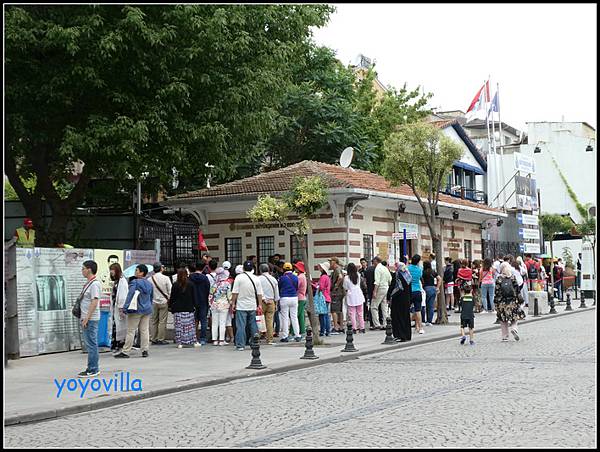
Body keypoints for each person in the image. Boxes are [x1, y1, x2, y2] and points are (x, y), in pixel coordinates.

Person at [115, 264, 154, 358]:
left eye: (137, 270)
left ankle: (126, 351)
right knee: (144, 330)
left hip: (136, 310)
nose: (135, 272)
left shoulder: (134, 282)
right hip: (147, 309)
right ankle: (145, 350)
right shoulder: (149, 284)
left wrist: (125, 308)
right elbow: (151, 297)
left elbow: (130, 295)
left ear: (141, 272)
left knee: (131, 330)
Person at [230, 260, 263, 351]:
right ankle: (255, 342)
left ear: (243, 268)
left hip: (241, 305)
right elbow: (259, 293)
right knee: (253, 325)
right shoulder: (256, 278)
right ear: (253, 268)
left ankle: (240, 345)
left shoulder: (239, 278)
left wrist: (233, 303)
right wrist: (259, 304)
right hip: (252, 305)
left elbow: (235, 292)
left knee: (241, 326)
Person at [78, 260, 102, 377]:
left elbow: (94, 301)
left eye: (83, 268)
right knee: (90, 344)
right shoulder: (89, 283)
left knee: (91, 344)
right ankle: (92, 367)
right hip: (86, 317)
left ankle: (93, 369)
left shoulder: (95, 284)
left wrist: (87, 318)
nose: (82, 271)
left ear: (89, 269)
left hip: (91, 319)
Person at [495, 262, 526, 342]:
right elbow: (517, 290)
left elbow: (497, 291)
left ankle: (505, 336)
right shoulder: (512, 277)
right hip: (512, 301)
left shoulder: (499, 279)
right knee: (514, 317)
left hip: (502, 302)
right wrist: (520, 300)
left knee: (503, 320)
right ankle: (514, 328)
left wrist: (496, 302)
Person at [169, 267, 199, 348]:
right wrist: (196, 305)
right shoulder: (191, 284)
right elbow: (194, 297)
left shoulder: (175, 285)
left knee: (179, 326)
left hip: (178, 309)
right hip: (188, 308)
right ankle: (192, 341)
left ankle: (180, 342)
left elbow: (172, 297)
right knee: (189, 326)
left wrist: (170, 306)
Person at [148, 262, 172, 345]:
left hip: (153, 302)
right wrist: (168, 298)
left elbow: (149, 292)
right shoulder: (166, 278)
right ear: (161, 268)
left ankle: (153, 338)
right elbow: (170, 290)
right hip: (163, 302)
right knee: (162, 321)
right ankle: (160, 338)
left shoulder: (149, 279)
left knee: (153, 320)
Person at [278, 262, 301, 342]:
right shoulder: (295, 277)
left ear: (284, 269)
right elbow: (297, 287)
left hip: (284, 297)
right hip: (294, 297)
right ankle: (297, 335)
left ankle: (285, 336)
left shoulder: (282, 278)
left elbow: (279, 287)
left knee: (285, 318)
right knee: (294, 317)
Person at [209, 267, 232, 346]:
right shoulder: (227, 284)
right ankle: (221, 340)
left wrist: (210, 303)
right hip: (224, 304)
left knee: (214, 323)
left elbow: (210, 294)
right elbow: (229, 296)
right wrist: (231, 303)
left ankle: (215, 340)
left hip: (214, 304)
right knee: (222, 323)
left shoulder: (214, 284)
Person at [390, 261, 412, 342]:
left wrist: (389, 296)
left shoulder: (396, 275)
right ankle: (407, 335)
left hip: (398, 299)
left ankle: (399, 335)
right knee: (405, 317)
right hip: (407, 299)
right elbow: (410, 289)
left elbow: (393, 287)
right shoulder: (408, 275)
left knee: (397, 317)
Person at [258, 264, 280, 345]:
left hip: (261, 302)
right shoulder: (273, 279)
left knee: (259, 320)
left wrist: (263, 299)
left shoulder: (258, 279)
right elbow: (276, 294)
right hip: (271, 302)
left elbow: (258, 291)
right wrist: (276, 303)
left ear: (260, 270)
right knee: (270, 321)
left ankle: (258, 336)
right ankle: (270, 339)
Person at [189, 263, 211, 345]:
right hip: (203, 301)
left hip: (192, 301)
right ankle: (203, 338)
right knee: (203, 320)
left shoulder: (190, 277)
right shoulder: (205, 278)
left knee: (194, 320)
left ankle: (194, 337)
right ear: (203, 268)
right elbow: (208, 289)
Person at [109, 263, 128, 351]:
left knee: (120, 326)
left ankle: (120, 344)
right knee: (116, 325)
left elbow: (123, 295)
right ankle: (116, 344)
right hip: (115, 307)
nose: (111, 272)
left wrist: (121, 308)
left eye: (112, 270)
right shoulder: (117, 281)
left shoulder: (122, 281)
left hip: (119, 307)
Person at [344, 263, 366, 333]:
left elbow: (345, 287)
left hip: (351, 295)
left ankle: (354, 328)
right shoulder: (358, 275)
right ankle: (362, 327)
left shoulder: (346, 278)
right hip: (359, 294)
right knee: (360, 312)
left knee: (352, 313)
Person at [371, 256, 391, 330]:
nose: (373, 264)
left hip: (380, 288)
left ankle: (377, 324)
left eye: (373, 262)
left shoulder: (378, 269)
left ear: (376, 261)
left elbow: (377, 282)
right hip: (386, 287)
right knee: (384, 306)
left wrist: (374, 291)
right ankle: (386, 323)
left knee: (374, 306)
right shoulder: (385, 268)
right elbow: (390, 279)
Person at [407, 255, 425, 334]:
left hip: (409, 291)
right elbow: (420, 277)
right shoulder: (419, 269)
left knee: (408, 310)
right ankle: (420, 328)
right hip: (417, 290)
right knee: (418, 310)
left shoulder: (408, 268)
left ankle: (407, 326)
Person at [329, 257, 345, 333]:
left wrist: (336, 285)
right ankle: (341, 326)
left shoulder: (337, 269)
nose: (330, 263)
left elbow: (340, 277)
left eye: (331, 261)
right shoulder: (339, 269)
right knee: (340, 310)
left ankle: (336, 327)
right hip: (340, 292)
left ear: (334, 262)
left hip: (336, 293)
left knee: (334, 310)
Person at [422, 261, 440, 325]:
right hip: (433, 288)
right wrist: (437, 287)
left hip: (426, 288)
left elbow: (421, 280)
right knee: (431, 306)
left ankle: (423, 320)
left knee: (424, 305)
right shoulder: (432, 271)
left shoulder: (423, 272)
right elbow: (439, 278)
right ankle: (429, 321)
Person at [317, 262, 332, 337]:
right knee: (326, 315)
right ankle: (327, 330)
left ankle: (323, 330)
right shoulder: (327, 277)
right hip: (327, 297)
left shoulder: (323, 277)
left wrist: (315, 286)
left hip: (323, 297)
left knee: (322, 315)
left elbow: (321, 287)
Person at [294, 261, 308, 336]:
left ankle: (293, 332)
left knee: (295, 316)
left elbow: (296, 286)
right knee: (301, 315)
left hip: (299, 298)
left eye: (296, 267)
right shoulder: (303, 276)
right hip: (302, 297)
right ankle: (302, 331)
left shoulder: (299, 277)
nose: (295, 268)